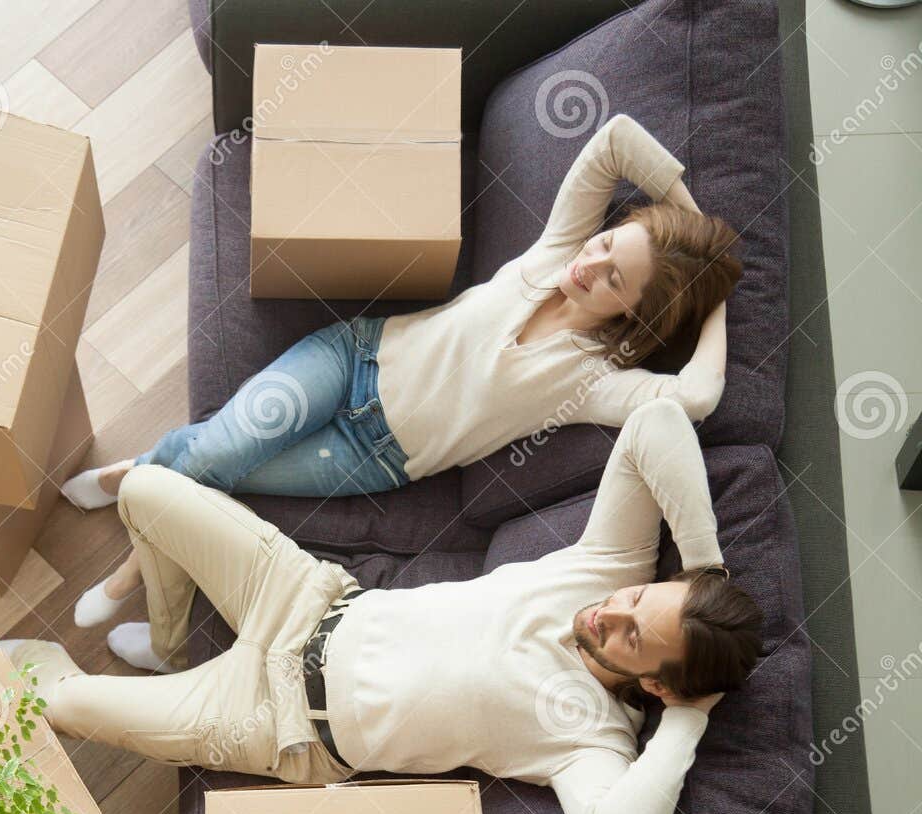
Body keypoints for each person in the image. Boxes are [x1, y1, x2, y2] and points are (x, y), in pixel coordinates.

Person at [61, 115, 743, 671]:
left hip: (371, 457)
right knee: (221, 450)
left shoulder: (595, 381)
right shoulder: (555, 252)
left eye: (614, 280)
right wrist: (685, 225)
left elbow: (696, 396)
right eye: (607, 246)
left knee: (212, 474)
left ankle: (136, 493)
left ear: (634, 315)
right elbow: (616, 139)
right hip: (350, 357)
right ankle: (136, 584)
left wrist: (710, 299)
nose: (590, 267)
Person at [4, 398, 763, 814]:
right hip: (303, 596)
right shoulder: (608, 566)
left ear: (657, 685)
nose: (609, 613)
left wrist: (690, 715)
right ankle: (170, 645)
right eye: (639, 599)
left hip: (281, 724)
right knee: (142, 488)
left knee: (61, 704)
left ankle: (126, 671)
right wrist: (704, 566)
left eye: (633, 637)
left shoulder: (592, 744)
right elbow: (656, 422)